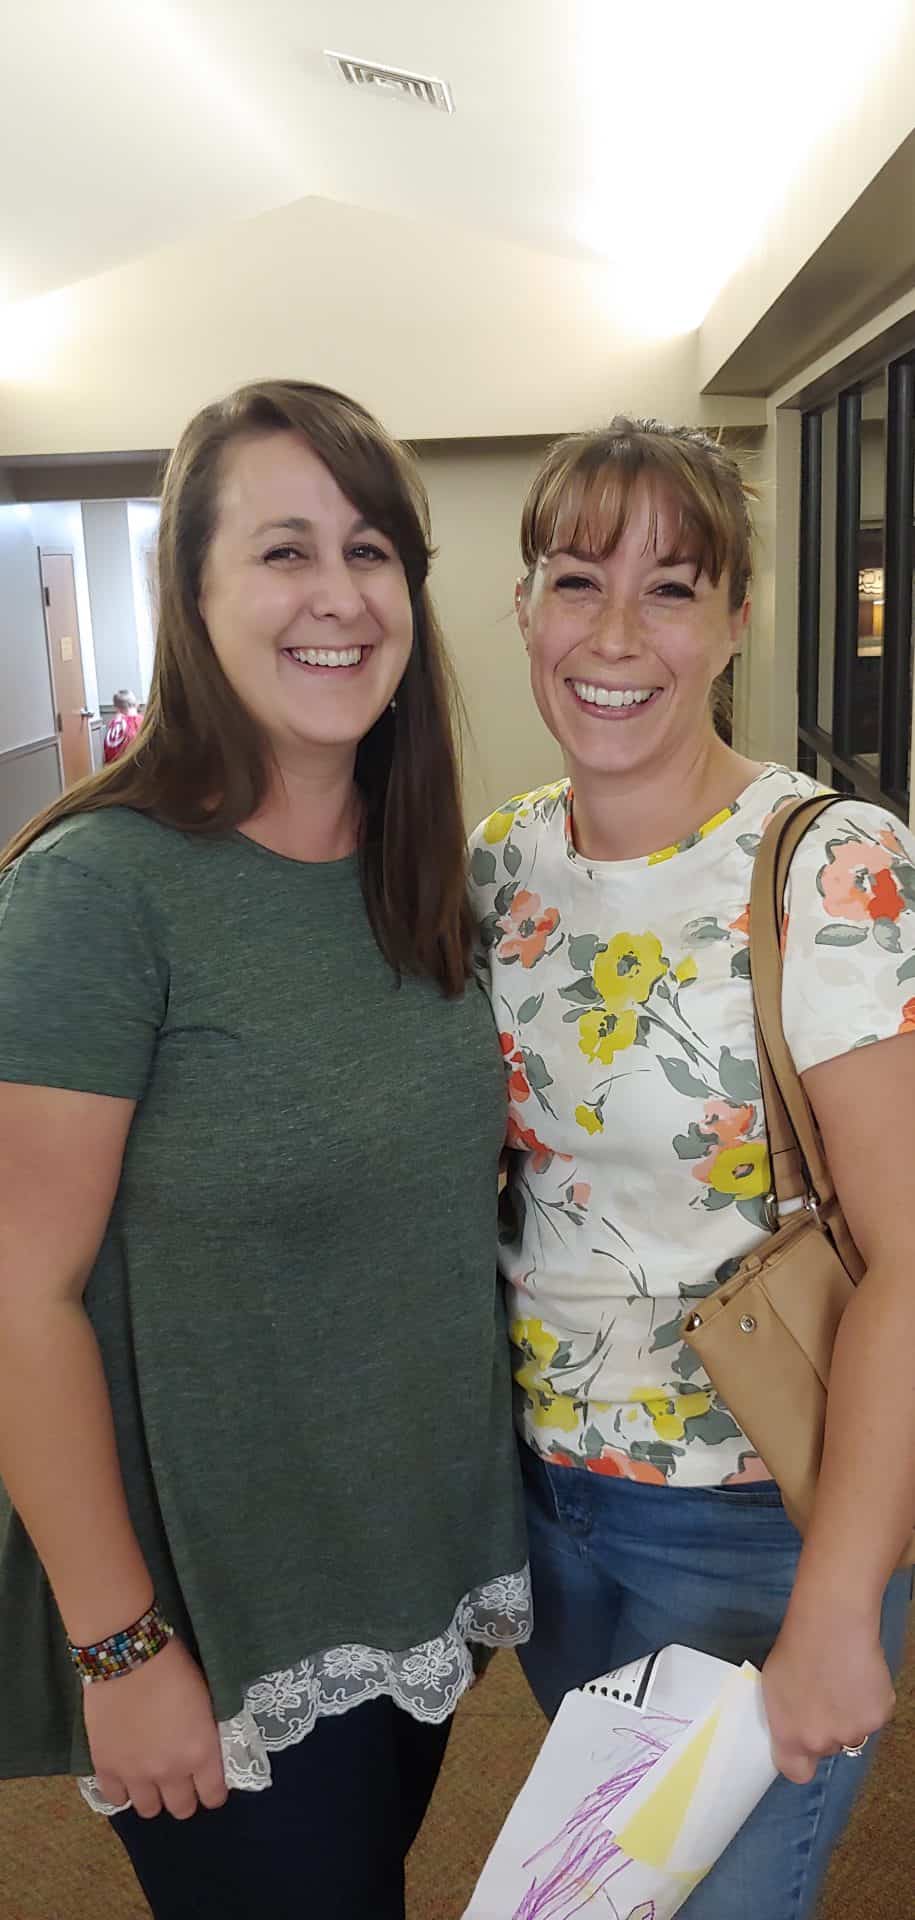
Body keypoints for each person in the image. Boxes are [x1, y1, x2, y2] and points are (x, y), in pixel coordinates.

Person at [0, 379, 529, 1920]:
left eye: (370, 553)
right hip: (212, 1623)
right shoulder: (100, 893)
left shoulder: (428, 870)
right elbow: (20, 1297)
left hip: (408, 1578)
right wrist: (118, 1643)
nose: (337, 597)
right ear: (193, 594)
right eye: (283, 551)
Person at [468, 417, 914, 1920]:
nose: (610, 634)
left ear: (733, 620)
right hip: (543, 1502)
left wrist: (840, 1598)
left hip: (749, 1512)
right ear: (522, 608)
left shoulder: (822, 863)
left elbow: (910, 1257)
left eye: (669, 589)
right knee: (610, 1891)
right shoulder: (496, 863)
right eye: (574, 579)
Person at [102, 688, 142, 762]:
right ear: (137, 704)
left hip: (114, 768)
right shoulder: (142, 722)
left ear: (117, 709)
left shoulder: (114, 724)